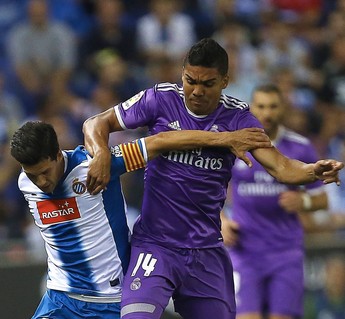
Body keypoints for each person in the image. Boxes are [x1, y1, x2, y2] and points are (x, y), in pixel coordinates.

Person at [82, 38, 344, 319]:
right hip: (156, 244)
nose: (196, 91)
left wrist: (311, 171)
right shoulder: (159, 99)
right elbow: (95, 123)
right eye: (190, 80)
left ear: (225, 81)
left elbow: (281, 167)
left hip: (206, 251)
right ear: (182, 74)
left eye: (207, 84)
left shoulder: (240, 119)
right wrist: (100, 154)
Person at [10, 120, 271, 319]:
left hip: (109, 301)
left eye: (44, 172)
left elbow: (160, 142)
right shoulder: (26, 183)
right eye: (33, 175)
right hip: (60, 299)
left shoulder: (97, 165)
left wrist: (224, 138)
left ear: (57, 154)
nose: (41, 182)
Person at [221, 83, 329, 319]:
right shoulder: (235, 144)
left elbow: (323, 199)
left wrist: (304, 202)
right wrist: (222, 221)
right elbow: (208, 190)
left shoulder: (300, 148)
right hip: (245, 252)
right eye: (261, 106)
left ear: (284, 109)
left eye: (273, 106)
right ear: (251, 108)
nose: (267, 113)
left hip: (285, 252)